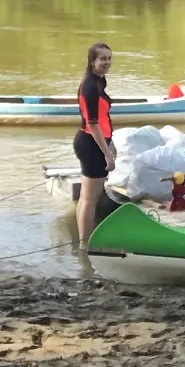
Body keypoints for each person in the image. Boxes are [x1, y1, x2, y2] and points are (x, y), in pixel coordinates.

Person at [74, 42, 115, 243]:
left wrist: (111, 141)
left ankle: (83, 243)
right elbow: (93, 124)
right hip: (91, 143)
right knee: (89, 199)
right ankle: (84, 244)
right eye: (102, 59)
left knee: (86, 198)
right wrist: (108, 154)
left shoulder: (100, 81)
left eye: (109, 58)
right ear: (92, 61)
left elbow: (104, 116)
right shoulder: (90, 86)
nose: (107, 62)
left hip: (95, 142)